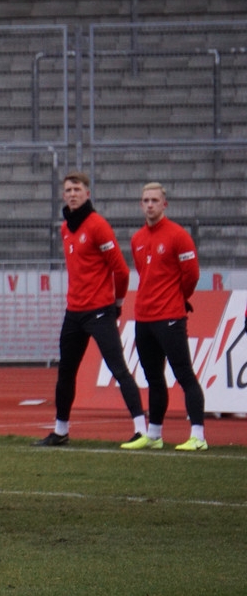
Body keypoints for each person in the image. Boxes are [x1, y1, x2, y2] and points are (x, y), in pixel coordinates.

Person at [35, 171, 147, 447]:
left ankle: (142, 430)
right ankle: (61, 431)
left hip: (99, 311)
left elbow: (120, 270)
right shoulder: (65, 228)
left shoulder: (98, 226)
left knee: (118, 368)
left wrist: (117, 303)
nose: (72, 194)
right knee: (66, 372)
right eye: (68, 190)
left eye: (77, 189)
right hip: (74, 312)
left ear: (87, 193)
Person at [123, 182, 207, 451]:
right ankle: (154, 434)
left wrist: (178, 299)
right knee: (153, 379)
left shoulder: (178, 235)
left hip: (170, 317)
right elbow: (144, 274)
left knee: (184, 375)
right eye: (145, 200)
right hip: (143, 318)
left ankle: (198, 436)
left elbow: (191, 275)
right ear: (141, 204)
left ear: (164, 204)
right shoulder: (136, 239)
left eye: (154, 200)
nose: (150, 205)